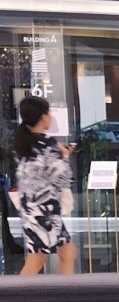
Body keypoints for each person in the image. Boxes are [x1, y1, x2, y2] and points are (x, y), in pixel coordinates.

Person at [13, 96, 77, 275]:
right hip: (44, 212)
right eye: (49, 113)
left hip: (33, 210)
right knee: (37, 260)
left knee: (67, 254)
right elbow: (63, 179)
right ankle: (18, 293)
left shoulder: (25, 144)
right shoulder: (47, 144)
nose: (51, 117)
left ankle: (64, 290)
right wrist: (65, 156)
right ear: (42, 117)